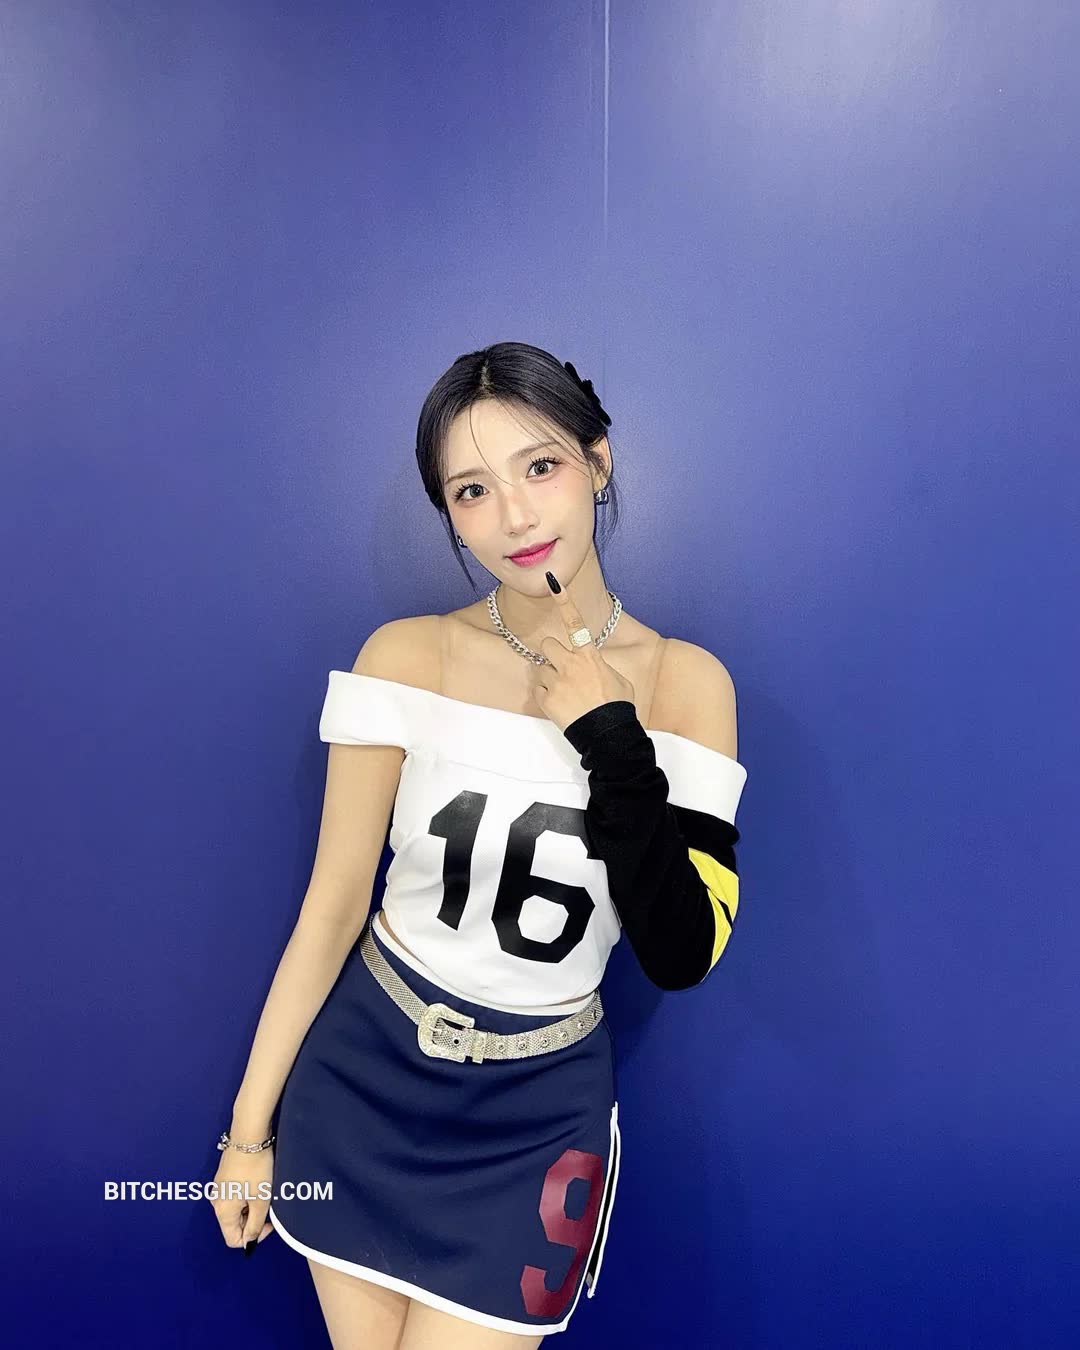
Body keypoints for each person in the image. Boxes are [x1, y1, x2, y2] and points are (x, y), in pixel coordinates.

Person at [209, 342, 747, 1349]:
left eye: (540, 466)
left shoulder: (688, 685)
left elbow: (682, 953)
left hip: (536, 1118)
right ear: (449, 514)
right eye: (472, 490)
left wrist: (610, 737)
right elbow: (333, 908)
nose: (515, 517)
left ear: (598, 460)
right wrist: (248, 1135)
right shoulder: (407, 656)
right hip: (364, 1083)